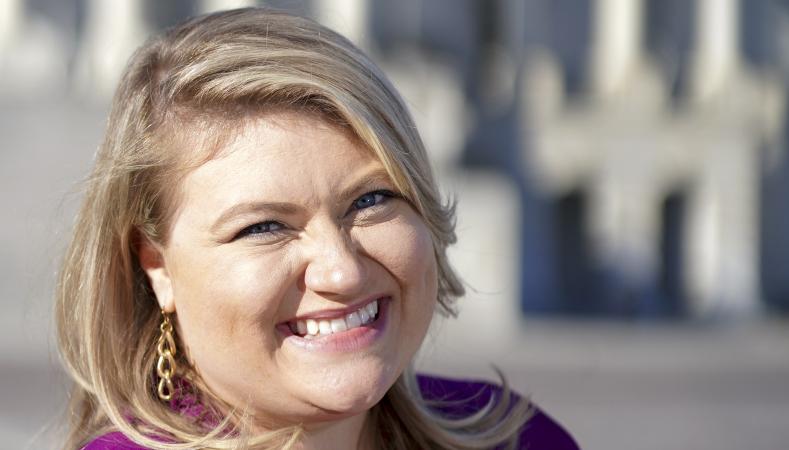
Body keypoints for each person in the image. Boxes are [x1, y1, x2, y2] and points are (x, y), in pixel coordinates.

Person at [55, 7, 579, 450]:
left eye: (371, 200)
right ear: (157, 267)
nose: (342, 271)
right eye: (264, 227)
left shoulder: (517, 436)